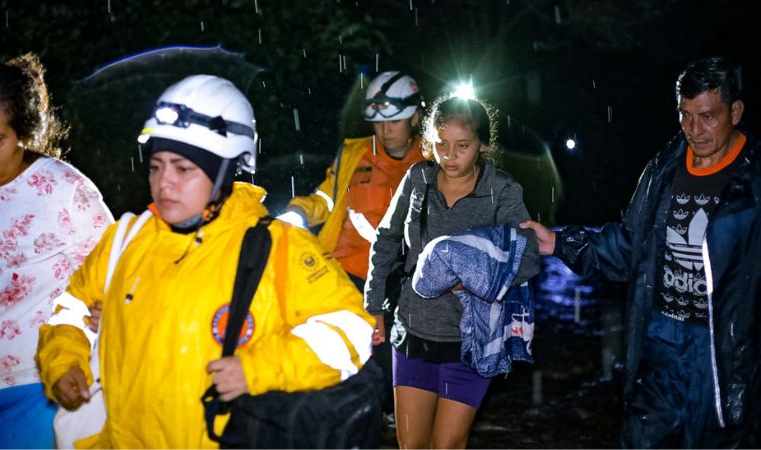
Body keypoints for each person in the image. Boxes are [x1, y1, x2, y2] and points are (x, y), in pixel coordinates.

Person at [35, 74, 377, 448]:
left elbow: (351, 330)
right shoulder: (125, 239)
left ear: (229, 169)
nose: (164, 182)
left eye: (183, 168)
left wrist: (259, 369)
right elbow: (70, 309)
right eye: (156, 166)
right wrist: (64, 359)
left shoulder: (277, 248)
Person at [521, 56, 761, 448]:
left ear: (735, 111)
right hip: (662, 340)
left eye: (708, 116)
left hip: (724, 354)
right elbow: (631, 245)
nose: (694, 130)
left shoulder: (753, 184)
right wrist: (559, 243)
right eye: (685, 115)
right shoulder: (664, 169)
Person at [364, 94, 540, 448]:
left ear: (482, 145)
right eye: (441, 144)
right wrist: (373, 308)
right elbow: (386, 239)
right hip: (413, 334)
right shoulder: (418, 181)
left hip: (471, 343)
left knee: (447, 445)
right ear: (429, 140)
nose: (450, 154)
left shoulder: (501, 190)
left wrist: (477, 280)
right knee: (412, 446)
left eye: (463, 145)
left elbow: (529, 257)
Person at [0, 54, 113, 448]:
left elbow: (116, 273)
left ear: (24, 134)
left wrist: (114, 307)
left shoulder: (64, 193)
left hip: (34, 392)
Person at [280, 70, 428, 417]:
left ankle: (397, 407)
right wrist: (298, 211)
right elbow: (327, 197)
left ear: (416, 117)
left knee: (397, 342)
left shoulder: (434, 158)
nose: (385, 130)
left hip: (403, 273)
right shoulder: (355, 154)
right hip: (347, 267)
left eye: (394, 121)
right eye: (378, 123)